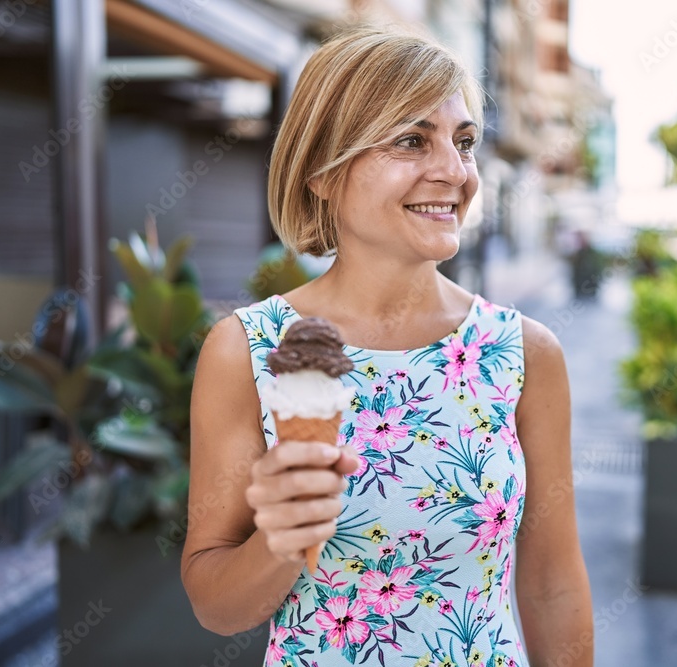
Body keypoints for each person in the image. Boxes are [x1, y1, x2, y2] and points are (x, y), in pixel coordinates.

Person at [182, 26, 593, 667]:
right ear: (322, 172)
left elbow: (552, 584)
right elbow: (213, 606)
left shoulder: (523, 354)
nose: (454, 172)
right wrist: (282, 541)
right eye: (411, 140)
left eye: (463, 143)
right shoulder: (247, 350)